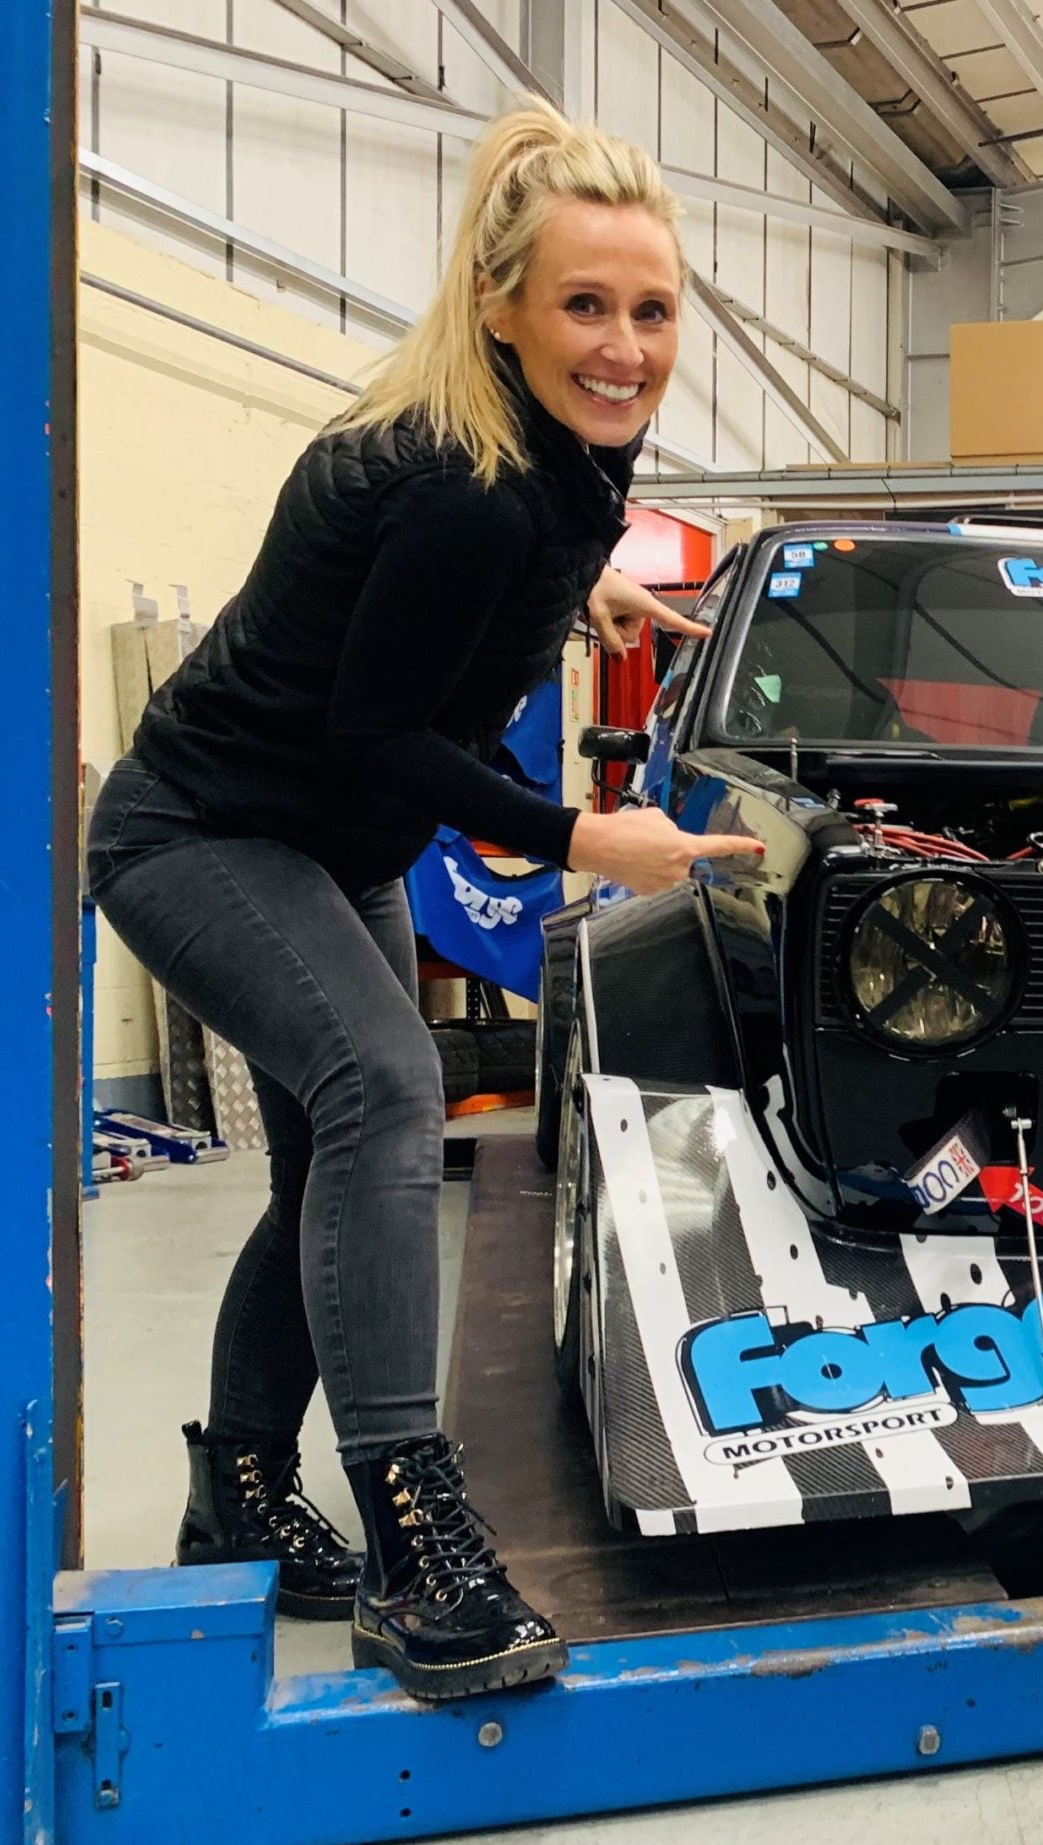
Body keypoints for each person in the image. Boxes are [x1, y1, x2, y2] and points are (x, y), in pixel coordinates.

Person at [85, 103, 761, 1701]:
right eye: (585, 306)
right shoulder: (461, 485)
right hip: (202, 832)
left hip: (335, 843)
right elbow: (377, 731)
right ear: (499, 307)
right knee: (387, 1087)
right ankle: (415, 1545)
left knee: (327, 1159)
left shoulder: (549, 461)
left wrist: (582, 586)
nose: (625, 347)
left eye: (652, 309)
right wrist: (588, 838)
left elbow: (493, 566)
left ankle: (239, 1493)